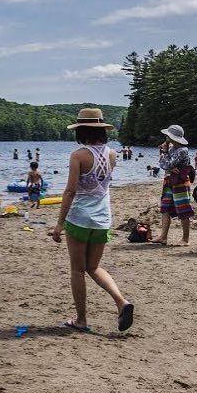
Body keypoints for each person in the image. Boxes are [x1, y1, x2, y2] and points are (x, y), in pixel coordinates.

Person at [50, 108, 133, 333]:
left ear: (81, 131)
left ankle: (81, 319)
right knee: (93, 267)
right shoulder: (112, 154)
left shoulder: (78, 155)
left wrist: (59, 224)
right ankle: (121, 302)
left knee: (78, 270)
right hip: (102, 218)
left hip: (79, 218)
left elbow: (70, 191)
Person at [156, 125, 193, 246]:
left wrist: (165, 154)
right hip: (169, 181)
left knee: (183, 209)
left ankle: (185, 239)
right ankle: (163, 237)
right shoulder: (172, 149)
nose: (166, 137)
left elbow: (166, 164)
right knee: (165, 208)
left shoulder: (182, 150)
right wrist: (170, 165)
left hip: (180, 182)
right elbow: (163, 164)